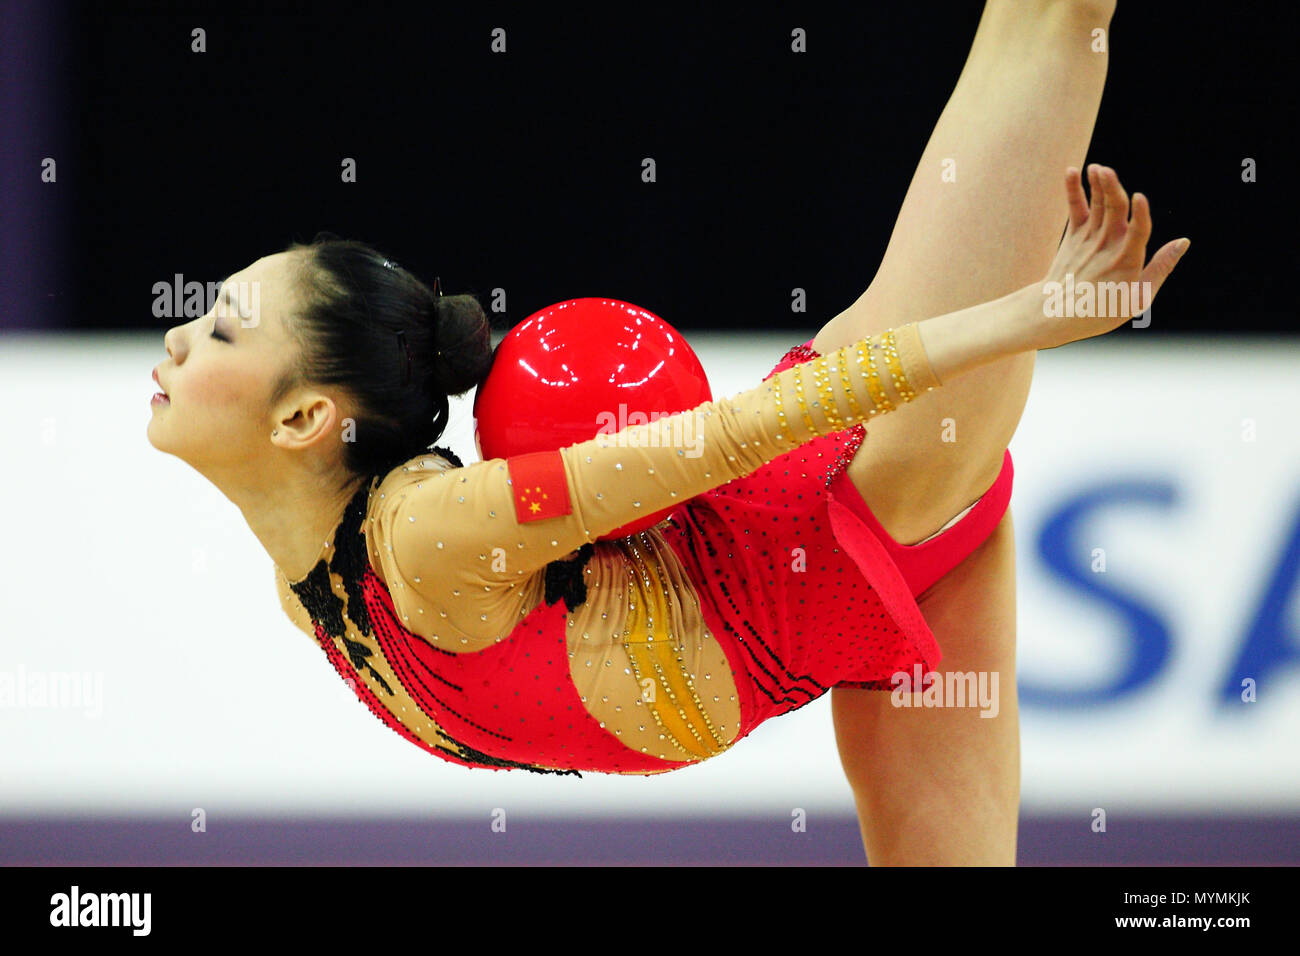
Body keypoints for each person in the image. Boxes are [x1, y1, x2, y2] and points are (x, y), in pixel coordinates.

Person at [149, 0, 1185, 865]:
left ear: (302, 415)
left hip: (864, 480)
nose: (179, 336)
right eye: (212, 321)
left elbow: (735, 434)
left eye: (216, 326)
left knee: (1048, 22)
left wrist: (1021, 320)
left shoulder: (428, 540)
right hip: (837, 618)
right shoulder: (313, 597)